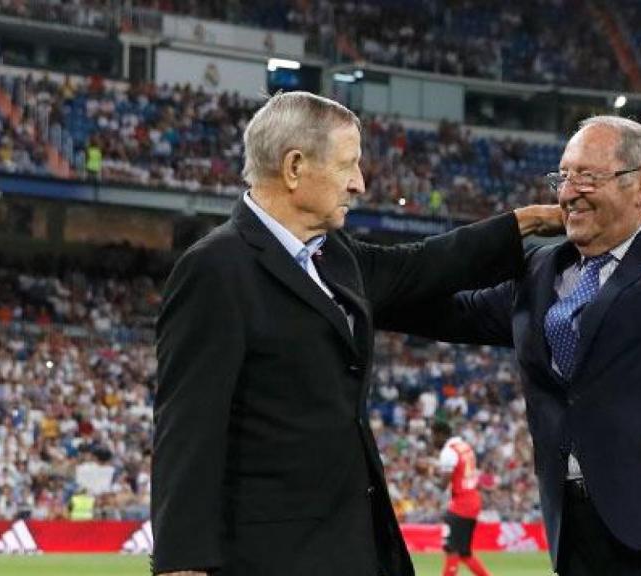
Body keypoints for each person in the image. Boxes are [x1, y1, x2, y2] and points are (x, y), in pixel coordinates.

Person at [384, 7, 641, 575]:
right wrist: (353, 284)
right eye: (563, 177)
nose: (569, 193)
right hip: (580, 539)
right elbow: (435, 306)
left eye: (587, 177)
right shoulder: (541, 272)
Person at [151, 92, 562, 576]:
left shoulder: (335, 255)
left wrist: (529, 221)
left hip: (356, 544)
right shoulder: (215, 268)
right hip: (271, 556)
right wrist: (182, 565)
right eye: (348, 165)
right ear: (294, 167)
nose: (359, 184)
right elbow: (187, 429)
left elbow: (424, 263)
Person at [431, 420, 491, 576]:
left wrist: (429, 475)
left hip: (461, 503)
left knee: (450, 548)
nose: (432, 440)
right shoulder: (464, 446)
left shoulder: (448, 452)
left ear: (441, 434)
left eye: (434, 436)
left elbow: (443, 485)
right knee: (464, 553)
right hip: (472, 499)